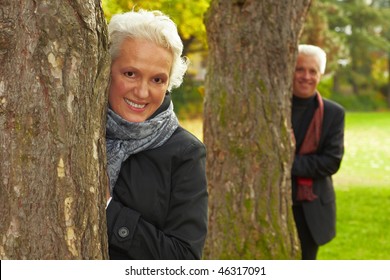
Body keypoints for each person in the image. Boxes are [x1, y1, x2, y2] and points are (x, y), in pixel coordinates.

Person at [105, 9, 208, 259]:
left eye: (157, 80)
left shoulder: (185, 153)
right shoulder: (78, 131)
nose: (142, 92)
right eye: (130, 74)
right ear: (106, 70)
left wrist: (108, 210)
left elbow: (184, 258)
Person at [291, 44, 345, 260]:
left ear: (320, 75)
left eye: (312, 71)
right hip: (273, 203)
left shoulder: (333, 113)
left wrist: (287, 165)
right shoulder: (273, 107)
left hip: (310, 209)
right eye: (300, 69)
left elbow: (330, 161)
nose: (306, 76)